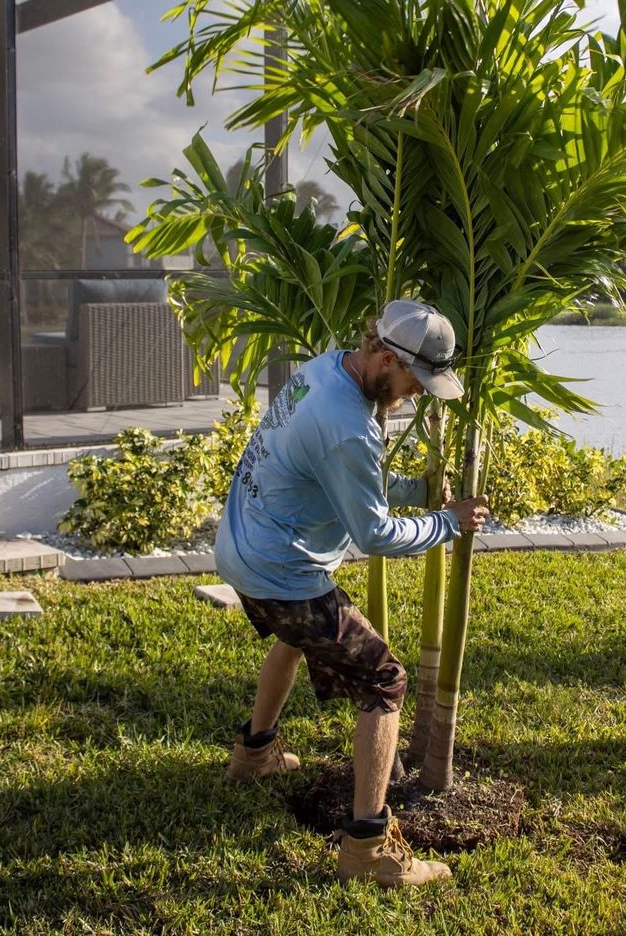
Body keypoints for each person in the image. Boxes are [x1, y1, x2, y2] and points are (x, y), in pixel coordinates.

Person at [215, 299, 489, 888]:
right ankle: (367, 848)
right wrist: (450, 522)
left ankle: (254, 754)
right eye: (416, 380)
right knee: (384, 680)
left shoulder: (324, 370)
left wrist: (418, 488)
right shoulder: (349, 425)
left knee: (296, 639)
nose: (416, 394)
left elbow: (341, 475)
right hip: (279, 572)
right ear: (388, 358)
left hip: (242, 547)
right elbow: (375, 534)